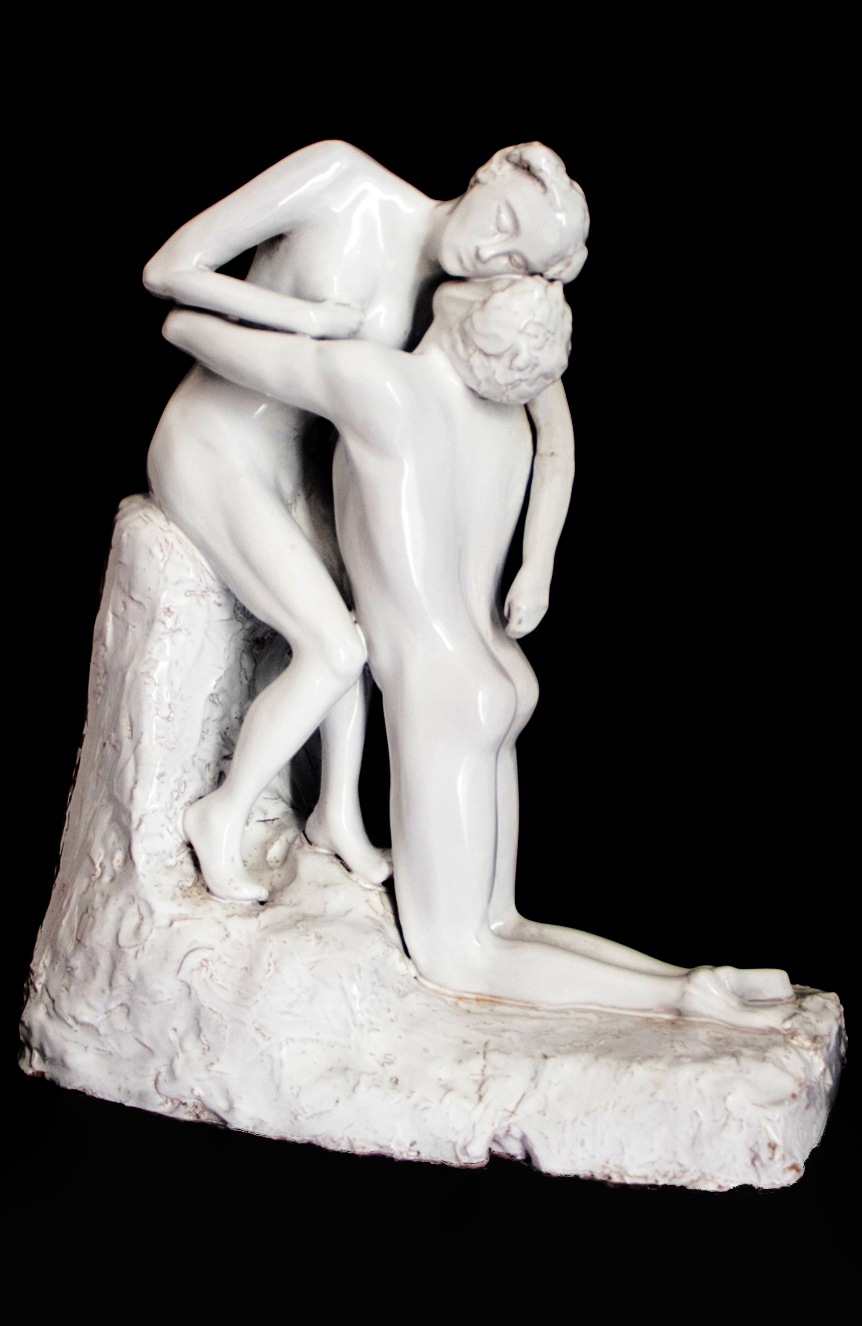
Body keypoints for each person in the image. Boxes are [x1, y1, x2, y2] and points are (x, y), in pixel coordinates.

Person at [160, 278, 795, 1027]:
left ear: (459, 312)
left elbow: (187, 330)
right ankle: (695, 980)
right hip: (498, 670)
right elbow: (560, 448)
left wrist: (312, 313)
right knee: (503, 923)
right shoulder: (513, 423)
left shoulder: (380, 386)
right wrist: (539, 564)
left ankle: (682, 998)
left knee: (460, 957)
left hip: (443, 691)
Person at [145, 139, 589, 900]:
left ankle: (337, 815)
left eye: (517, 260)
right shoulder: (341, 178)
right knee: (334, 650)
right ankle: (219, 818)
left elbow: (553, 428)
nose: (491, 253)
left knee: (360, 627)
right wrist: (308, 317)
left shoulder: (457, 296)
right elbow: (169, 275)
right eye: (502, 221)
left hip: (291, 475)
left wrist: (537, 560)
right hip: (214, 447)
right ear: (490, 170)